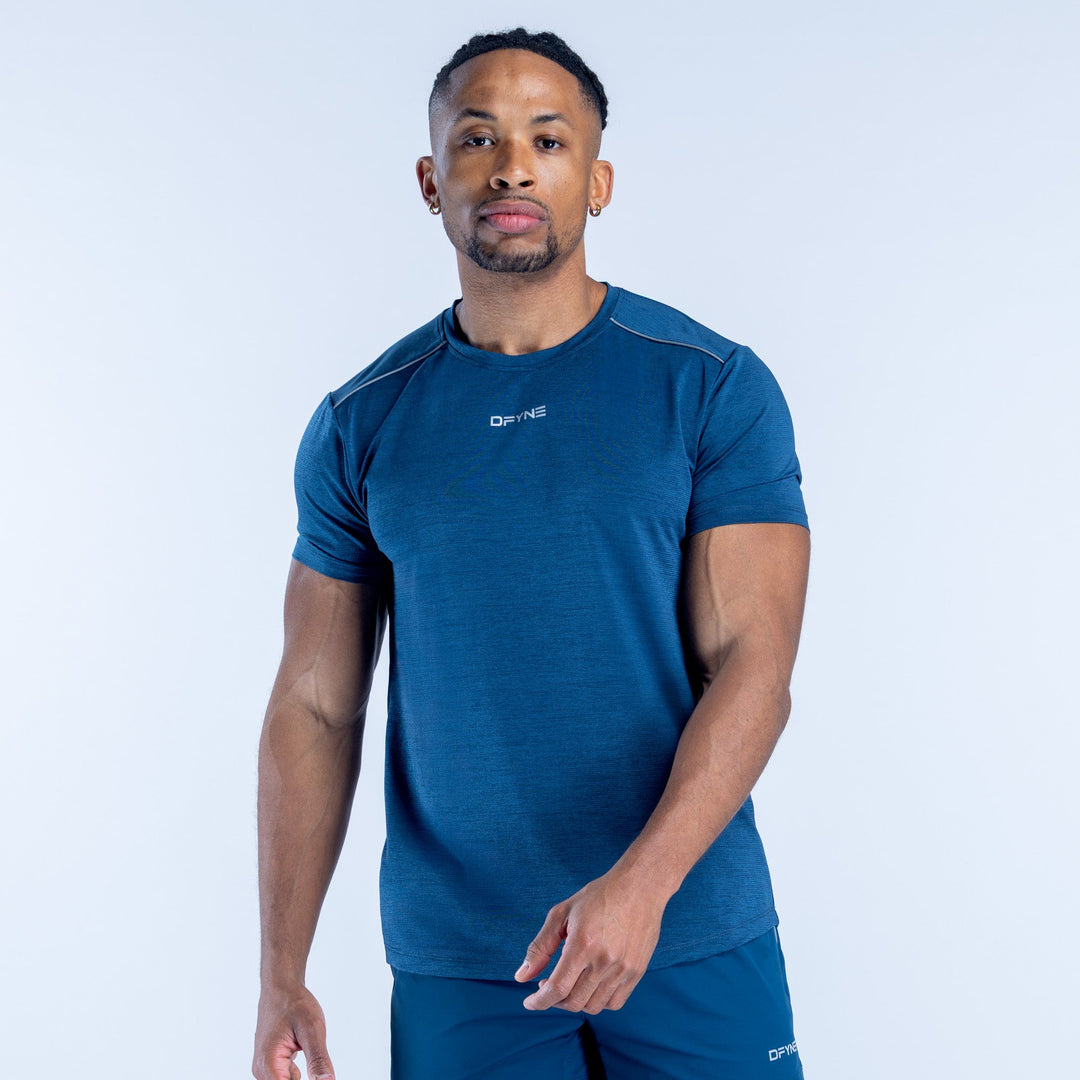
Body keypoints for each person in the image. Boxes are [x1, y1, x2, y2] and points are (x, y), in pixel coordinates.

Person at [252, 27, 811, 1080]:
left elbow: (755, 669)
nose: (512, 166)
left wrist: (641, 888)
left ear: (597, 182)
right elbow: (315, 705)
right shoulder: (360, 424)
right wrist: (283, 972)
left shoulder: (709, 386)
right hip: (466, 962)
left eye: (547, 140)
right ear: (432, 181)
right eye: (478, 139)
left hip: (688, 932)